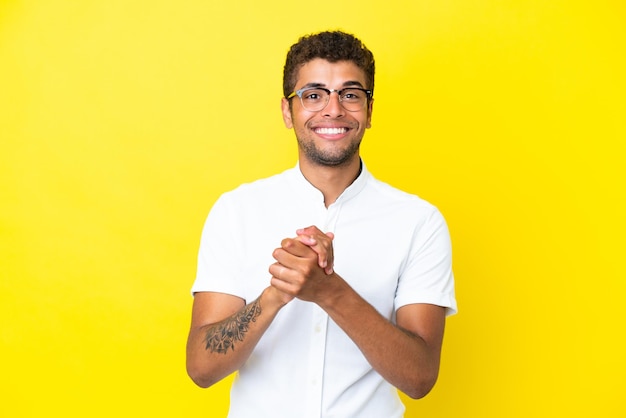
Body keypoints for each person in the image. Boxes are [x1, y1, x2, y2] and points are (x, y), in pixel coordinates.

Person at [186, 30, 457, 418]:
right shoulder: (236, 211)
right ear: (287, 111)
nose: (333, 110)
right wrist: (276, 294)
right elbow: (201, 368)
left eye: (350, 94)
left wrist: (329, 291)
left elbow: (419, 378)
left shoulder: (419, 222)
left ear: (370, 110)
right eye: (313, 95)